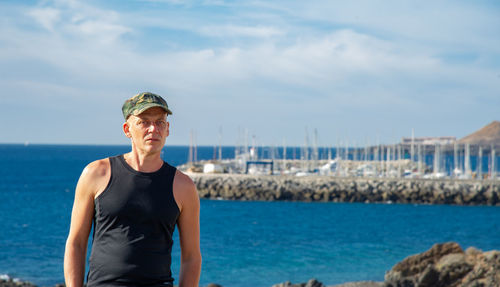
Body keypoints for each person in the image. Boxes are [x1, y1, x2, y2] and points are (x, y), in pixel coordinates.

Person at [64, 92, 201, 287]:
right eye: (144, 122)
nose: (154, 129)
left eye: (160, 122)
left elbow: (191, 256)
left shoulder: (183, 186)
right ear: (127, 129)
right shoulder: (96, 174)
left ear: (168, 129)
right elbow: (76, 243)